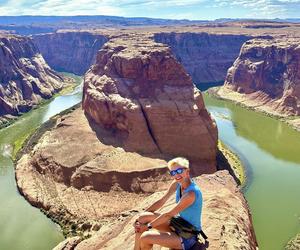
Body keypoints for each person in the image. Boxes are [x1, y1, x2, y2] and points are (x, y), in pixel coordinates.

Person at [134, 157, 203, 250]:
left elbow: (169, 215)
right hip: (178, 225)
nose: (176, 175)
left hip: (188, 235)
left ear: (187, 171)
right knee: (143, 218)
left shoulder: (191, 194)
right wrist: (140, 218)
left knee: (145, 237)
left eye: (179, 171)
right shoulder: (177, 183)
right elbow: (162, 200)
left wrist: (147, 227)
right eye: (173, 172)